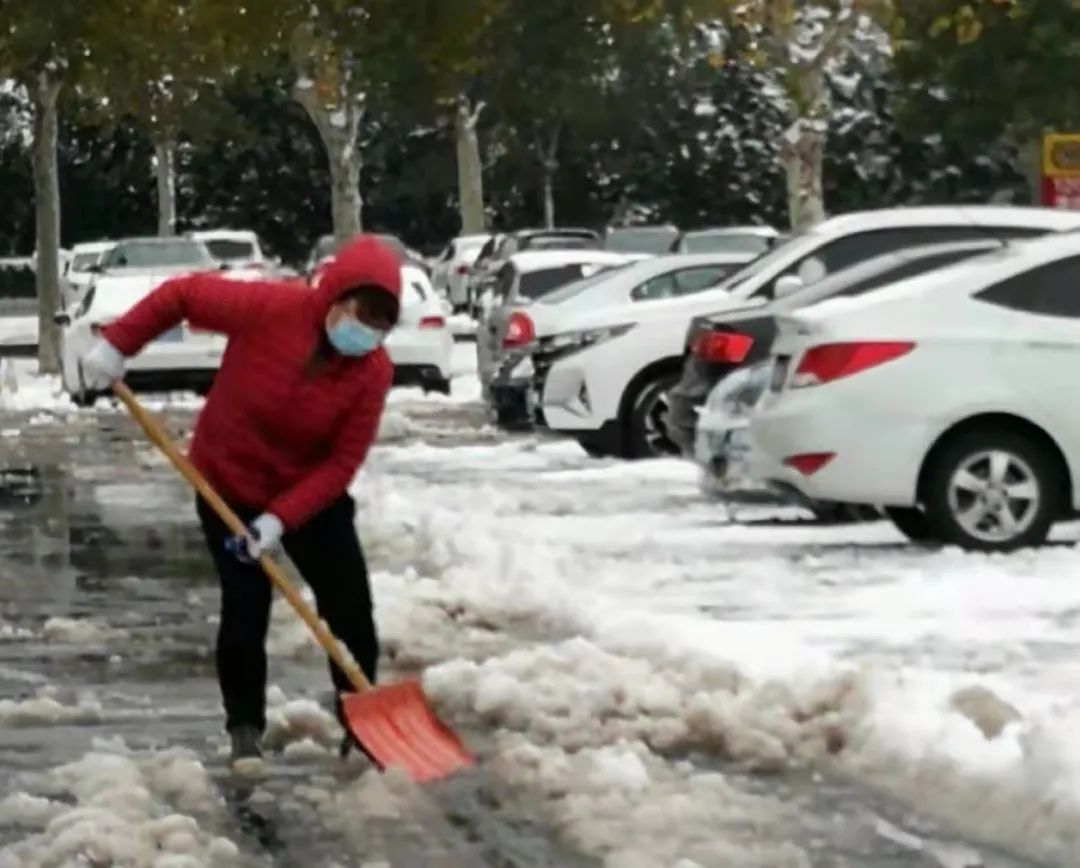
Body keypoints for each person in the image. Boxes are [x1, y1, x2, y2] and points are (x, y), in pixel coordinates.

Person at [77, 234, 401, 769]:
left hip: (307, 495)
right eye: (358, 317)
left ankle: (360, 723)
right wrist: (119, 344)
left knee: (349, 609)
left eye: (379, 328)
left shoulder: (373, 371)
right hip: (228, 483)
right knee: (245, 607)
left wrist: (280, 518)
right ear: (334, 295)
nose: (364, 334)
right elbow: (181, 294)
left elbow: (341, 462)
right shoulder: (273, 308)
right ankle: (245, 729)